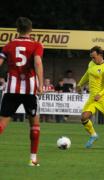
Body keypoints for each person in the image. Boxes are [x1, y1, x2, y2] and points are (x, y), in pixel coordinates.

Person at [0, 17, 43, 165]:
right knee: (35, 126)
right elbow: (37, 62)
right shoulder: (36, 45)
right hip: (30, 91)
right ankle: (33, 159)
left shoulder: (9, 45)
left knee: (2, 124)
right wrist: (41, 84)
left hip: (11, 89)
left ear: (17, 30)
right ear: (31, 29)